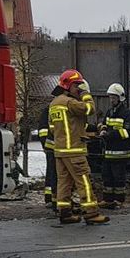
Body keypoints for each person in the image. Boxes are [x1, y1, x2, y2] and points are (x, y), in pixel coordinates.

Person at [49, 69, 109, 226]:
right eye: (77, 87)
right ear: (68, 86)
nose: (79, 90)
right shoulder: (70, 102)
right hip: (74, 150)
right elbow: (90, 109)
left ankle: (65, 213)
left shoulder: (54, 104)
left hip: (60, 151)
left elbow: (53, 128)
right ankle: (92, 213)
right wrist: (86, 94)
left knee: (64, 182)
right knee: (84, 181)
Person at [99, 82, 130, 210]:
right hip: (108, 152)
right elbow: (104, 124)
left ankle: (119, 200)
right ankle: (108, 200)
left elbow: (126, 132)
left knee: (119, 178)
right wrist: (102, 130)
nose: (111, 100)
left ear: (120, 98)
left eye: (113, 97)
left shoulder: (126, 113)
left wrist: (109, 135)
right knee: (107, 176)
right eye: (110, 97)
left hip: (121, 152)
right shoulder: (109, 112)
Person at [35, 85, 60, 213]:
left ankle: (52, 197)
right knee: (52, 172)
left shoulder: (52, 109)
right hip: (51, 147)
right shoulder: (48, 110)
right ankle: (49, 198)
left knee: (53, 173)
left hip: (54, 146)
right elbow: (43, 130)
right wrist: (45, 144)